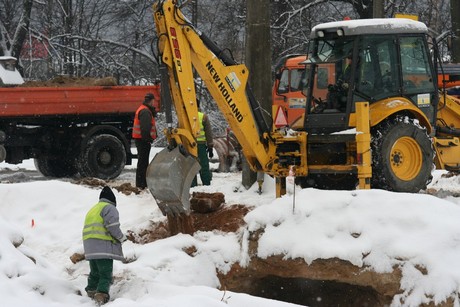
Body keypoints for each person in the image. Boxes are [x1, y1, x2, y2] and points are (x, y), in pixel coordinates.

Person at [82, 186, 127, 305]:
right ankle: (101, 294)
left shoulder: (94, 209)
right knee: (105, 272)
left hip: (90, 247)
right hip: (103, 247)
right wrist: (121, 238)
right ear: (113, 200)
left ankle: (91, 290)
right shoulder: (109, 208)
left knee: (95, 271)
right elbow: (113, 226)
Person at [132, 93, 158, 189]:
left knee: (142, 162)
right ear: (151, 101)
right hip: (143, 141)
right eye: (153, 101)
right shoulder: (145, 111)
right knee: (143, 163)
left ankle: (141, 184)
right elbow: (145, 128)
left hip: (140, 140)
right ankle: (141, 184)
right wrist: (148, 139)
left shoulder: (143, 109)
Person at [191, 99, 214, 187]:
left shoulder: (184, 116)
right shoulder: (203, 116)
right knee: (204, 166)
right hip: (201, 145)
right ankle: (206, 184)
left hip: (189, 145)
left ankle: (192, 185)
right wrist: (210, 146)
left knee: (191, 166)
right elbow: (208, 133)